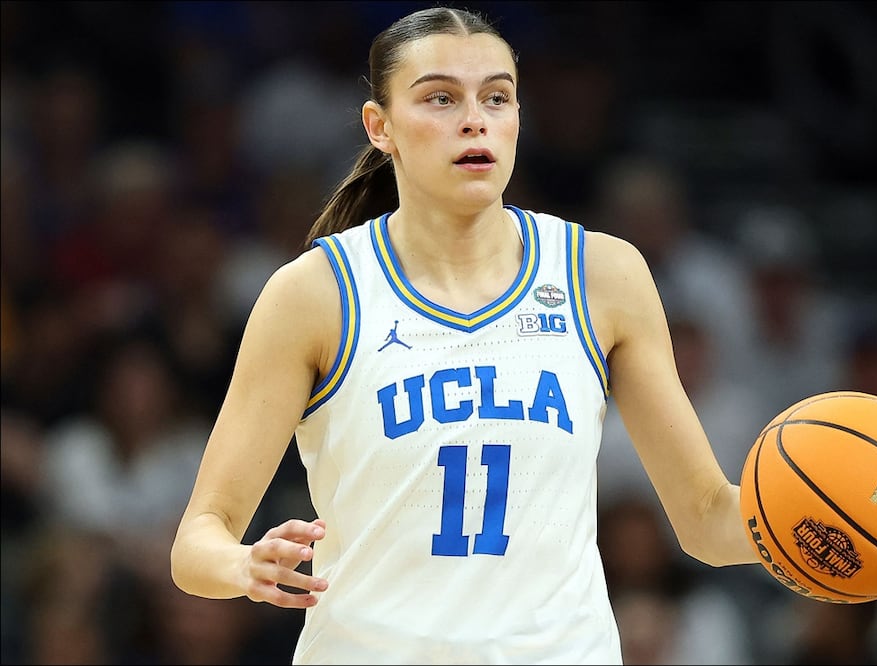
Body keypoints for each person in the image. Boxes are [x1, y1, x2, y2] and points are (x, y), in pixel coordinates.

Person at [170, 6, 757, 664]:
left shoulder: (601, 274)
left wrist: (825, 527)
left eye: (497, 97)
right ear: (380, 127)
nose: (475, 118)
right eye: (441, 98)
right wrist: (243, 563)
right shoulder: (315, 294)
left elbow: (706, 518)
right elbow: (197, 540)